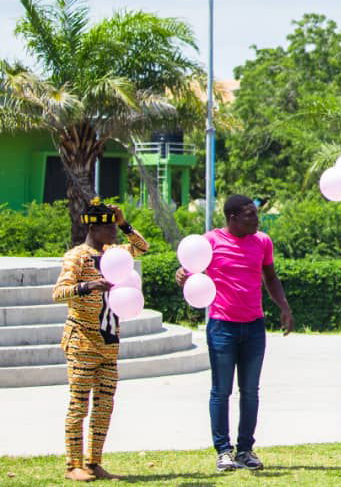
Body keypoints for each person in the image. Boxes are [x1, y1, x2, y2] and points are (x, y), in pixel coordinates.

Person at [176, 194, 294, 472]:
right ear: (232, 218)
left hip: (254, 326)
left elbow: (271, 277)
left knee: (250, 391)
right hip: (222, 326)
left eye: (256, 214)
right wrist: (182, 276)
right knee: (221, 391)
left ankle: (245, 450)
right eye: (250, 215)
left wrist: (285, 307)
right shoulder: (211, 241)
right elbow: (190, 270)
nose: (257, 219)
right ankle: (223, 451)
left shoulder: (262, 242)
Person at [53, 198, 148, 482]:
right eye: (110, 228)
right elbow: (58, 292)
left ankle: (94, 462)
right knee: (79, 404)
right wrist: (88, 285)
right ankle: (73, 464)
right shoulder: (76, 257)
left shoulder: (114, 254)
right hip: (82, 340)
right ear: (94, 229)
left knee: (105, 404)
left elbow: (143, 247)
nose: (114, 234)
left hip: (109, 341)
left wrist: (125, 223)